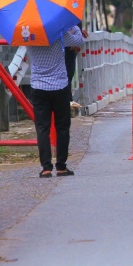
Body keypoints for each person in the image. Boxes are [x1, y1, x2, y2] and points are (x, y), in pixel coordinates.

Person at [29, 25, 84, 178]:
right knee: (62, 127)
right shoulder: (58, 31)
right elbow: (78, 40)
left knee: (42, 128)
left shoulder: (28, 34)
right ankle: (61, 166)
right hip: (59, 86)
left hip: (38, 86)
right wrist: (74, 27)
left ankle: (46, 167)